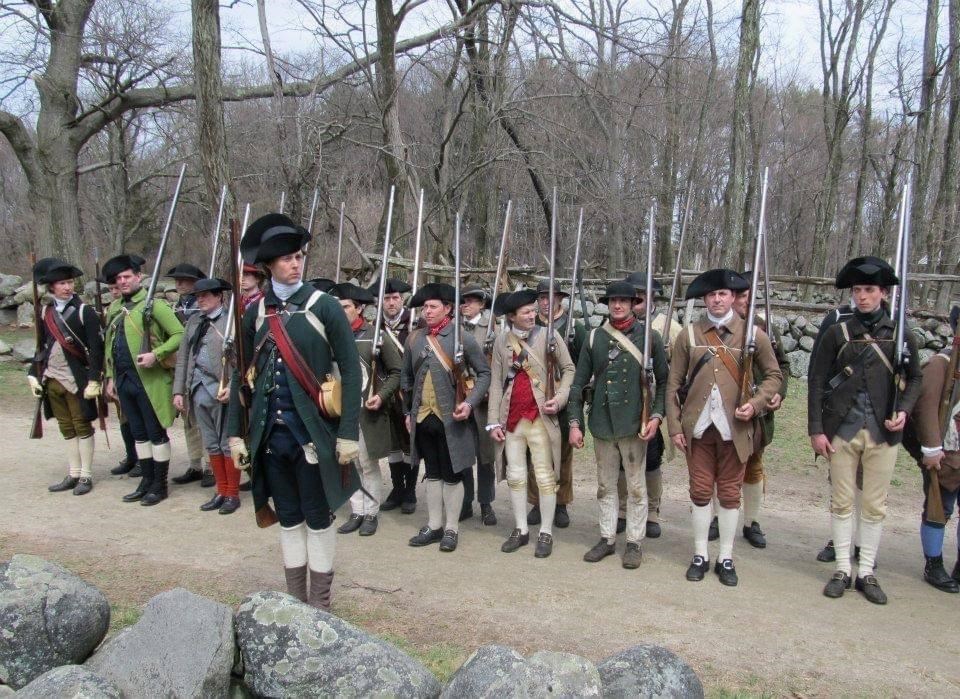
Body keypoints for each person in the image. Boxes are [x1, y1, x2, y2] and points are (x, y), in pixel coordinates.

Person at [226, 213, 362, 610]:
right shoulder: (254, 313)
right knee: (287, 517)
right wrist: (237, 432)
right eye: (286, 258)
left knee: (318, 517)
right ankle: (295, 601)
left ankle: (319, 604)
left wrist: (349, 432)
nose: (295, 263)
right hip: (271, 437)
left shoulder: (324, 307)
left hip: (315, 435)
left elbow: (351, 372)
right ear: (268, 266)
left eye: (298, 256)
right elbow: (242, 378)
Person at [809, 256, 922, 604]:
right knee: (842, 501)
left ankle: (867, 570)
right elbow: (815, 381)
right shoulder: (837, 333)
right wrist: (816, 429)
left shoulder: (901, 335)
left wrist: (903, 411)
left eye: (869, 290)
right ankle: (842, 567)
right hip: (841, 429)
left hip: (883, 432)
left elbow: (916, 378)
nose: (862, 296)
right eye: (858, 290)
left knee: (874, 505)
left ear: (884, 294)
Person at [666, 269, 782, 586]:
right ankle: (700, 554)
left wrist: (756, 404)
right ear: (705, 299)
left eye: (723, 294)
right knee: (701, 491)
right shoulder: (688, 335)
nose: (717, 299)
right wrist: (675, 426)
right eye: (712, 295)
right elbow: (673, 384)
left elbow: (774, 376)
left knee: (730, 494)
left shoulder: (752, 335)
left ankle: (726, 557)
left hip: (736, 430)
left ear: (733, 297)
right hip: (698, 430)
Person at [568, 280, 668, 569]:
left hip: (634, 423)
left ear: (633, 303)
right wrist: (575, 423)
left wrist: (656, 416)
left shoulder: (650, 338)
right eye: (613, 301)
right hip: (602, 422)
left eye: (624, 300)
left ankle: (635, 542)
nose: (618, 305)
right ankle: (607, 538)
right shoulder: (594, 338)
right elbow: (577, 385)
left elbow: (663, 382)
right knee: (605, 486)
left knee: (636, 487)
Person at [402, 283, 491, 552]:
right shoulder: (415, 339)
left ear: (448, 308)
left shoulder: (463, 338)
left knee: (453, 475)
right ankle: (434, 524)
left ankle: (451, 528)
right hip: (423, 418)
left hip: (453, 419)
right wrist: (408, 412)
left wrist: (470, 403)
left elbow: (484, 374)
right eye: (425, 307)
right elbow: (406, 378)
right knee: (432, 473)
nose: (427, 312)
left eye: (433, 307)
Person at [487, 289, 574, 557]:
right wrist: (493, 421)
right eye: (526, 312)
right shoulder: (502, 341)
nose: (532, 315)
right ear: (512, 316)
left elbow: (569, 368)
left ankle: (545, 532)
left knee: (545, 477)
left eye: (533, 310)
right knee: (515, 476)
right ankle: (521, 529)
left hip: (541, 418)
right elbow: (496, 382)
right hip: (511, 419)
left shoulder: (549, 336)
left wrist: (559, 399)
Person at [103, 254, 184, 506]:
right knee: (138, 434)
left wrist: (156, 355)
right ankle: (146, 480)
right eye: (119, 278)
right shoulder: (116, 308)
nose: (123, 281)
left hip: (150, 380)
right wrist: (109, 377)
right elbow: (109, 346)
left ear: (139, 277)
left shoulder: (154, 305)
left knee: (155, 433)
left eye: (127, 276)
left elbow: (179, 334)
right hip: (124, 380)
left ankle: (159, 484)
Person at [330, 282, 403, 537]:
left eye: (346, 307)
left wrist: (381, 396)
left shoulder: (376, 336)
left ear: (359, 308)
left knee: (367, 464)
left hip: (366, 409)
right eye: (338, 307)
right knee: (348, 463)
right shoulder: (333, 335)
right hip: (339, 409)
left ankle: (370, 513)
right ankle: (357, 511)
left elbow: (397, 371)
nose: (341, 311)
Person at [28, 258, 104, 496]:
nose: (67, 287)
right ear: (51, 287)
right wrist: (33, 374)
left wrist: (94, 379)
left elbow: (96, 348)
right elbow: (41, 347)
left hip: (77, 379)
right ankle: (73, 473)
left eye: (69, 282)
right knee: (66, 427)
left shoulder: (84, 311)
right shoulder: (45, 312)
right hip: (51, 378)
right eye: (62, 283)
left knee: (82, 425)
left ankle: (86, 475)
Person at [172, 278, 240, 514]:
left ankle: (232, 493)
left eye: (206, 295)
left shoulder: (231, 322)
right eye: (198, 296)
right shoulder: (193, 322)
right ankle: (220, 490)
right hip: (197, 388)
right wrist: (179, 390)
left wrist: (233, 386)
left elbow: (242, 360)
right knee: (210, 442)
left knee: (227, 443)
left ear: (219, 297)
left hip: (222, 389)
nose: (200, 300)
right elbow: (183, 357)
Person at [905, 306, 960, 593]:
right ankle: (934, 564)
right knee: (940, 508)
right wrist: (931, 448)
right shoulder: (940, 365)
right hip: (945, 455)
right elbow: (925, 408)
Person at [621, 272, 681, 538]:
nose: (636, 301)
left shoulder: (671, 327)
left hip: (653, 398)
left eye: (641, 296)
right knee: (623, 458)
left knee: (652, 459)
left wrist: (666, 353)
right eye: (633, 296)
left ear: (652, 297)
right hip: (623, 401)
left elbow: (681, 372)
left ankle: (653, 512)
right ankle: (623, 509)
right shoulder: (616, 324)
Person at [732, 277, 790, 548]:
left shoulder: (766, 328)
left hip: (758, 411)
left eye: (745, 295)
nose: (741, 301)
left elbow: (782, 367)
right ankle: (719, 518)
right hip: (725, 409)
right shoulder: (715, 328)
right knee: (723, 467)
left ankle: (751, 522)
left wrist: (779, 392)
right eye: (737, 295)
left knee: (753, 466)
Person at [528, 279, 586, 528]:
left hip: (565, 393)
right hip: (535, 394)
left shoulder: (575, 327)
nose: (546, 302)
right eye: (542, 297)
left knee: (562, 453)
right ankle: (537, 501)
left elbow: (582, 368)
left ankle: (560, 502)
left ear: (560, 299)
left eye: (551, 297)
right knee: (534, 450)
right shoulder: (529, 325)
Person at [369, 277, 418, 515]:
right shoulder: (374, 327)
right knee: (393, 444)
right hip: (384, 390)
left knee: (410, 442)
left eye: (395, 298)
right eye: (387, 298)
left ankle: (410, 491)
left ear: (403, 300)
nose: (391, 302)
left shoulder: (415, 325)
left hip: (408, 390)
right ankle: (397, 488)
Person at [166, 263, 213, 488]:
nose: (179, 284)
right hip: (181, 368)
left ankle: (209, 467)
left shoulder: (200, 309)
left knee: (206, 422)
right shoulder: (176, 307)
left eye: (184, 280)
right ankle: (195, 464)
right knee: (188, 421)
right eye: (177, 280)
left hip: (203, 369)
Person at [459, 283, 498, 525]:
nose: (466, 305)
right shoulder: (454, 328)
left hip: (484, 400)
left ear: (482, 305)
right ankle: (464, 502)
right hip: (461, 397)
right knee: (462, 454)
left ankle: (486, 503)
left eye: (471, 301)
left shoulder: (494, 327)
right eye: (463, 301)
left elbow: (497, 363)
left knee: (486, 456)